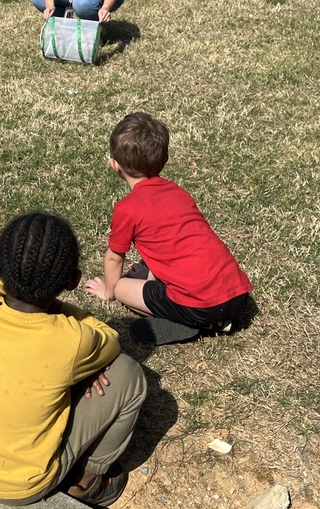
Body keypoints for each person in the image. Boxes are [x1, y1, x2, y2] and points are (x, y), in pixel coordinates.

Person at [0, 212, 147, 508]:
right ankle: (88, 481)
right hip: (20, 486)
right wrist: (55, 304)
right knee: (128, 373)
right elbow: (110, 339)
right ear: (72, 282)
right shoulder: (71, 340)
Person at [83, 112, 252, 345]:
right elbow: (176, 245)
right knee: (141, 271)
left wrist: (109, 292)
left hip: (201, 306)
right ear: (164, 159)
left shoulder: (127, 208)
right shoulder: (177, 192)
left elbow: (114, 259)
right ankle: (214, 318)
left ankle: (195, 324)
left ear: (114, 165)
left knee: (123, 286)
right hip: (237, 294)